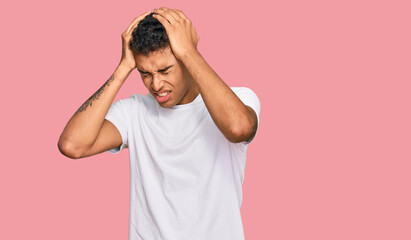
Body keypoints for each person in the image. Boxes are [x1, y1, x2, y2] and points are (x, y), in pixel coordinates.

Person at [58, 7, 261, 240]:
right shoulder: (133, 111)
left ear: (185, 58)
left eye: (165, 70)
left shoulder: (238, 99)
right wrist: (124, 68)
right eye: (145, 73)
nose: (156, 84)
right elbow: (72, 145)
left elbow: (239, 129)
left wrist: (190, 52)